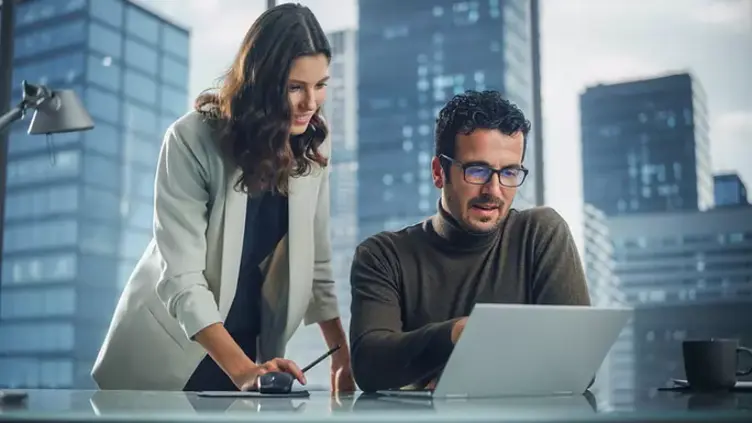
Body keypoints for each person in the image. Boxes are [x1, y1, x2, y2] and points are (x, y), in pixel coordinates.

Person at [92, 4, 355, 393]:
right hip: (177, 344)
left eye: (320, 85)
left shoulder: (313, 141)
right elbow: (180, 277)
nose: (311, 102)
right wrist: (243, 371)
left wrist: (341, 354)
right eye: (295, 87)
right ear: (261, 81)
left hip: (249, 345)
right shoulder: (190, 139)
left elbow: (316, 258)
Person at [348, 90, 592, 392]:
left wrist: (463, 377)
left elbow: (577, 364)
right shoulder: (383, 255)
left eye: (510, 172)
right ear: (439, 172)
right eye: (477, 170)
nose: (494, 190)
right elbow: (370, 364)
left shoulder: (541, 234)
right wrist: (461, 333)